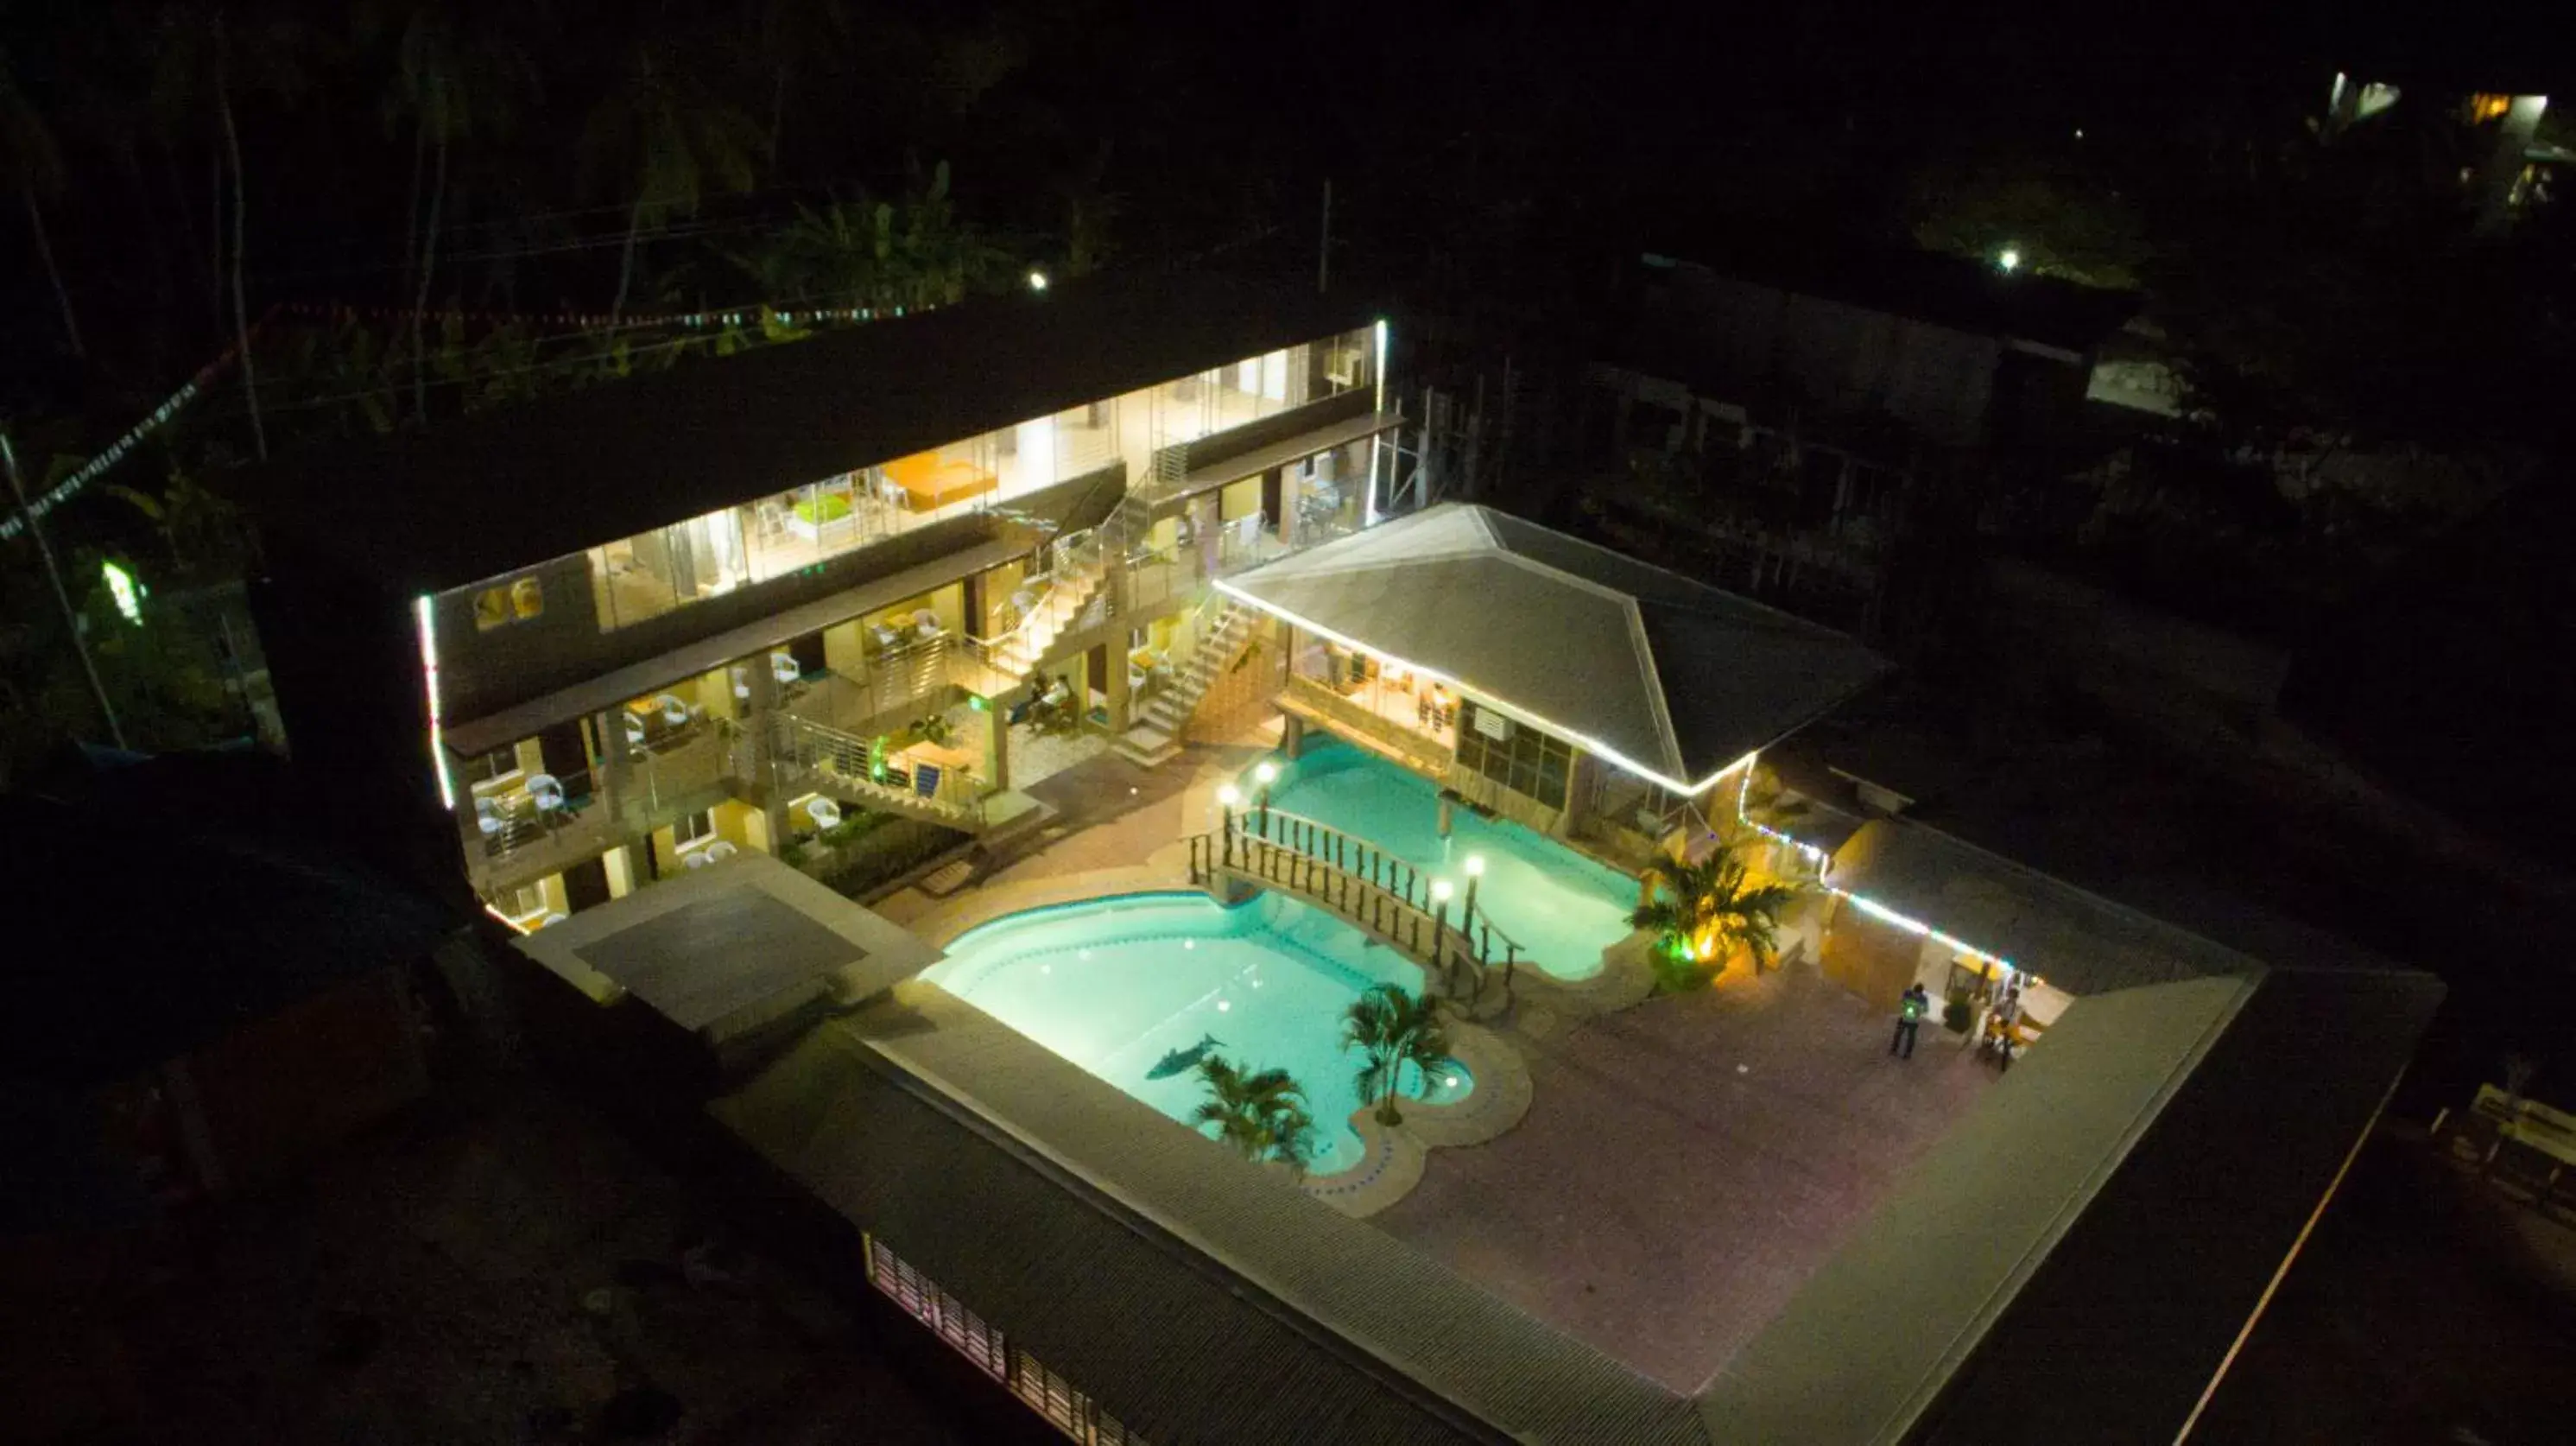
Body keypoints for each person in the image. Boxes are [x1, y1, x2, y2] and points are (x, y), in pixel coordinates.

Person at [1890, 983, 1929, 1060]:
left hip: (1914, 1019)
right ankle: (1894, 1049)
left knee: (1911, 1037)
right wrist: (1903, 1004)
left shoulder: (1923, 998)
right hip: (1904, 1016)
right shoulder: (1908, 992)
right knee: (1898, 1032)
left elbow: (1925, 1009)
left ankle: (1908, 1053)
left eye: (1918, 994)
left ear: (1921, 993)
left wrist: (1920, 1009)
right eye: (1915, 993)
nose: (1916, 995)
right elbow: (1901, 1000)